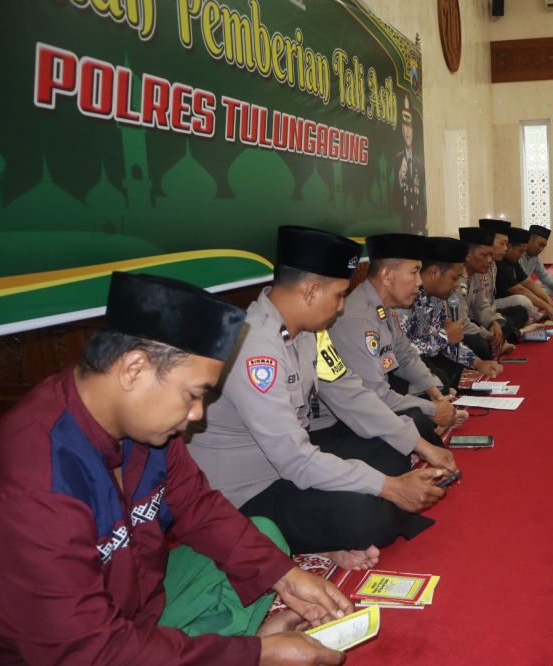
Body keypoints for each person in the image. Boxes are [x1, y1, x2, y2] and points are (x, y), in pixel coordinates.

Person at [0, 272, 353, 664]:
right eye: (193, 395)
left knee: (264, 538)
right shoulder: (32, 486)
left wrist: (286, 577)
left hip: (135, 607)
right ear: (134, 369)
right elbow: (89, 651)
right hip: (67, 650)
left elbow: (197, 505)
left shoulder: (145, 427)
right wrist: (253, 656)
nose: (197, 415)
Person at [189, 227, 454, 569]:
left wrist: (418, 445)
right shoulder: (255, 351)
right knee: (364, 516)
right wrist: (388, 487)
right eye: (340, 295)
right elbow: (295, 460)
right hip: (247, 491)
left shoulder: (309, 333)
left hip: (288, 464)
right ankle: (322, 538)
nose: (343, 306)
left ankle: (327, 535)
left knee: (390, 450)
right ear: (312, 291)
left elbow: (349, 392)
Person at [329, 233, 468, 421]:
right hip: (353, 413)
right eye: (414, 272)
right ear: (386, 275)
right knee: (418, 421)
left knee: (435, 386)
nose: (419, 281)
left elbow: (405, 354)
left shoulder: (383, 307)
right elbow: (376, 397)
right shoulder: (358, 318)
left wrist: (433, 391)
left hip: (381, 392)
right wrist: (432, 409)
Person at [397, 236, 504, 388]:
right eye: (454, 278)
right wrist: (444, 337)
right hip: (403, 369)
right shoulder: (404, 299)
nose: (456, 285)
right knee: (439, 375)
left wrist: (478, 363)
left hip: (425, 361)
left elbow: (449, 340)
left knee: (449, 368)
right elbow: (402, 352)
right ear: (434, 273)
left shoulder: (436, 298)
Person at [458, 226, 511, 358]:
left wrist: (493, 323)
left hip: (474, 323)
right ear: (468, 255)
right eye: (484, 255)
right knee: (476, 342)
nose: (489, 260)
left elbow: (482, 306)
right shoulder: (456, 278)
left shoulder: (476, 274)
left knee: (502, 324)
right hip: (459, 328)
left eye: (490, 255)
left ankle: (495, 346)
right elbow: (462, 323)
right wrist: (490, 335)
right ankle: (496, 346)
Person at [494, 227, 553, 323]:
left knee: (528, 300)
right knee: (522, 300)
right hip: (493, 304)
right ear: (510, 247)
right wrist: (546, 306)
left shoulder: (513, 261)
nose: (521, 255)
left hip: (512, 298)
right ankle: (535, 316)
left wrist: (550, 303)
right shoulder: (499, 263)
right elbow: (520, 289)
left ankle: (530, 314)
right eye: (502, 244)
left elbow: (529, 283)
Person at [478, 218, 529, 337]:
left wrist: (493, 321)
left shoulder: (494, 265)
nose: (505, 248)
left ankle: (506, 333)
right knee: (478, 341)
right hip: (477, 319)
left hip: (490, 312)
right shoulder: (475, 268)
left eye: (506, 244)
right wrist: (492, 322)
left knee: (521, 312)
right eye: (502, 243)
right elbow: (474, 312)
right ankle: (510, 333)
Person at [392, 95, 424, 234]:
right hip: (404, 231)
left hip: (418, 230)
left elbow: (421, 199)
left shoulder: (418, 162)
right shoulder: (397, 160)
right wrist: (399, 181)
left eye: (410, 126)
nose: (407, 131)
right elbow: (394, 203)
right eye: (405, 126)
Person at [520, 224, 553, 308]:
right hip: (517, 291)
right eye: (540, 244)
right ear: (529, 240)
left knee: (551, 288)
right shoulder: (518, 254)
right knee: (521, 300)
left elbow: (544, 275)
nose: (541, 249)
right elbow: (521, 283)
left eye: (543, 247)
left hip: (527, 291)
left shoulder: (535, 257)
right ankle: (532, 307)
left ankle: (532, 306)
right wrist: (548, 304)